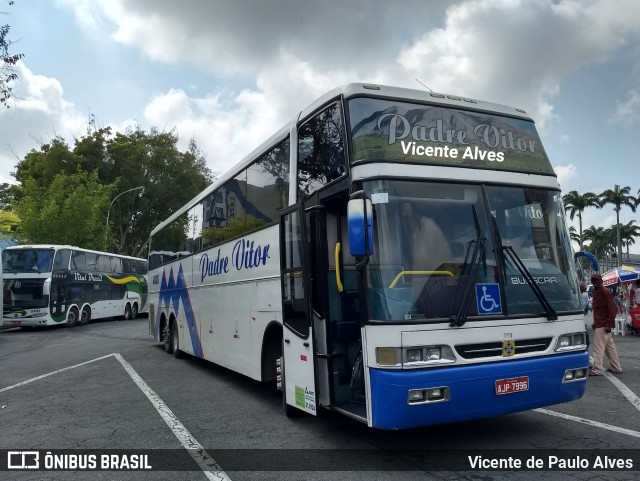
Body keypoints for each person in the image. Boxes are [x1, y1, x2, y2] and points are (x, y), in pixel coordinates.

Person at [589, 273, 622, 376]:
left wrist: (609, 324)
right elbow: (597, 310)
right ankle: (616, 367)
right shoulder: (595, 291)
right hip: (600, 323)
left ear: (601, 280)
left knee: (598, 348)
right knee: (609, 348)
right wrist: (595, 322)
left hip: (603, 324)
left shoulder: (604, 292)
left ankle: (597, 369)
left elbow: (613, 309)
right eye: (593, 280)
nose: (595, 282)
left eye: (597, 280)